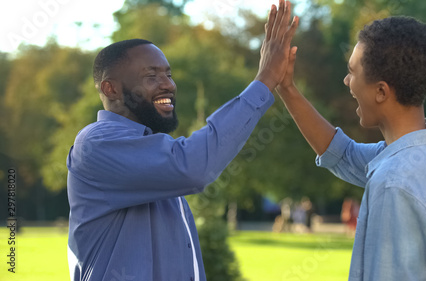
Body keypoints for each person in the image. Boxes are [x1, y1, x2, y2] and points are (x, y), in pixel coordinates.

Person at [66, 1, 298, 280]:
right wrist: (265, 80)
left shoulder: (154, 153)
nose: (168, 84)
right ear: (111, 88)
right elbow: (193, 166)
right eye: (151, 75)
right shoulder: (96, 145)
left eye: (168, 74)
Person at [276, 16, 426, 280]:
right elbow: (344, 155)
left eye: (352, 72)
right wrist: (287, 87)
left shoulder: (394, 183)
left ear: (381, 92)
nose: (347, 82)